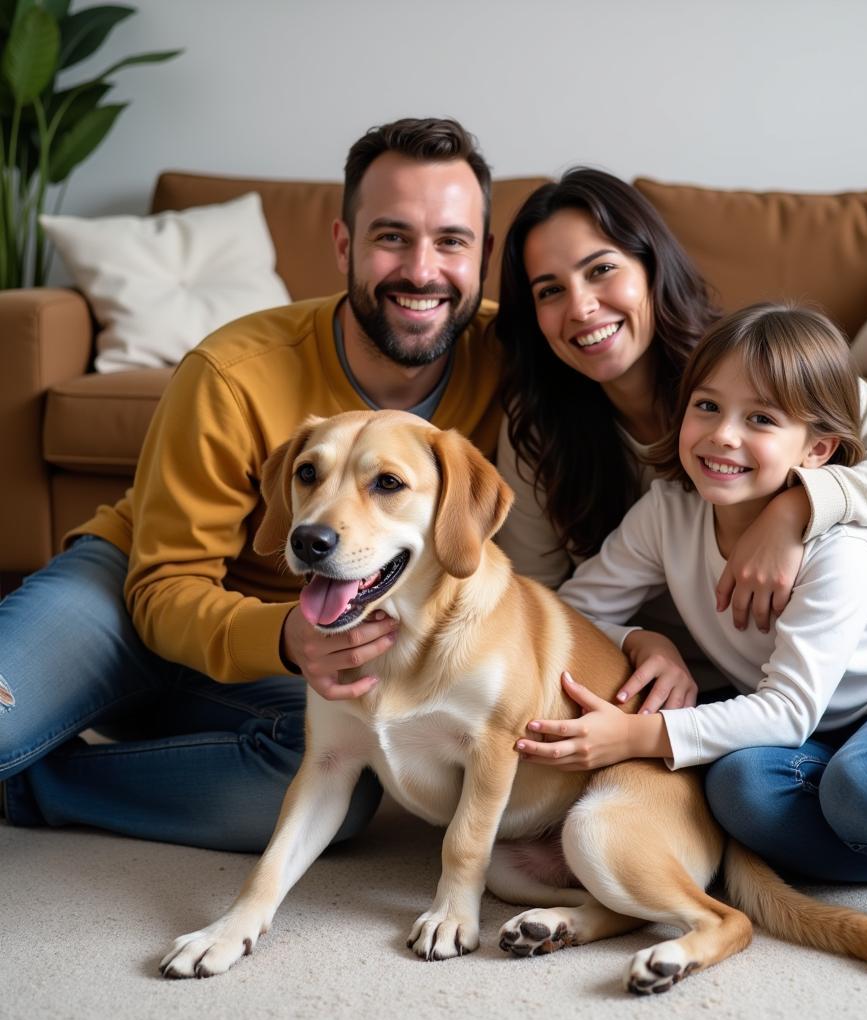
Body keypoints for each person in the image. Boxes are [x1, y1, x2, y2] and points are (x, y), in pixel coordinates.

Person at [0, 117, 501, 851]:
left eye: (451, 241)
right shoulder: (232, 370)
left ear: (483, 255)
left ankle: (35, 786)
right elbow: (163, 587)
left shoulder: (512, 359)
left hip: (283, 653)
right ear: (344, 245)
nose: (422, 270)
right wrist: (291, 637)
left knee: (333, 778)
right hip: (130, 599)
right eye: (392, 236)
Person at [514, 303, 867, 900]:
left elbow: (785, 712)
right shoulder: (667, 513)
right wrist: (642, 638)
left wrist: (637, 736)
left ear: (817, 450)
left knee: (863, 787)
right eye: (707, 407)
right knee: (738, 788)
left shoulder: (841, 551)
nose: (723, 434)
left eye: (760, 418)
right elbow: (575, 609)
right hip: (823, 736)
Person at [494, 167, 867, 734]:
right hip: (671, 681)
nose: (580, 307)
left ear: (651, 268)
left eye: (601, 270)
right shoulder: (538, 430)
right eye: (550, 291)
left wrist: (796, 511)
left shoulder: (753, 364)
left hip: (833, 651)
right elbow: (538, 603)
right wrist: (640, 641)